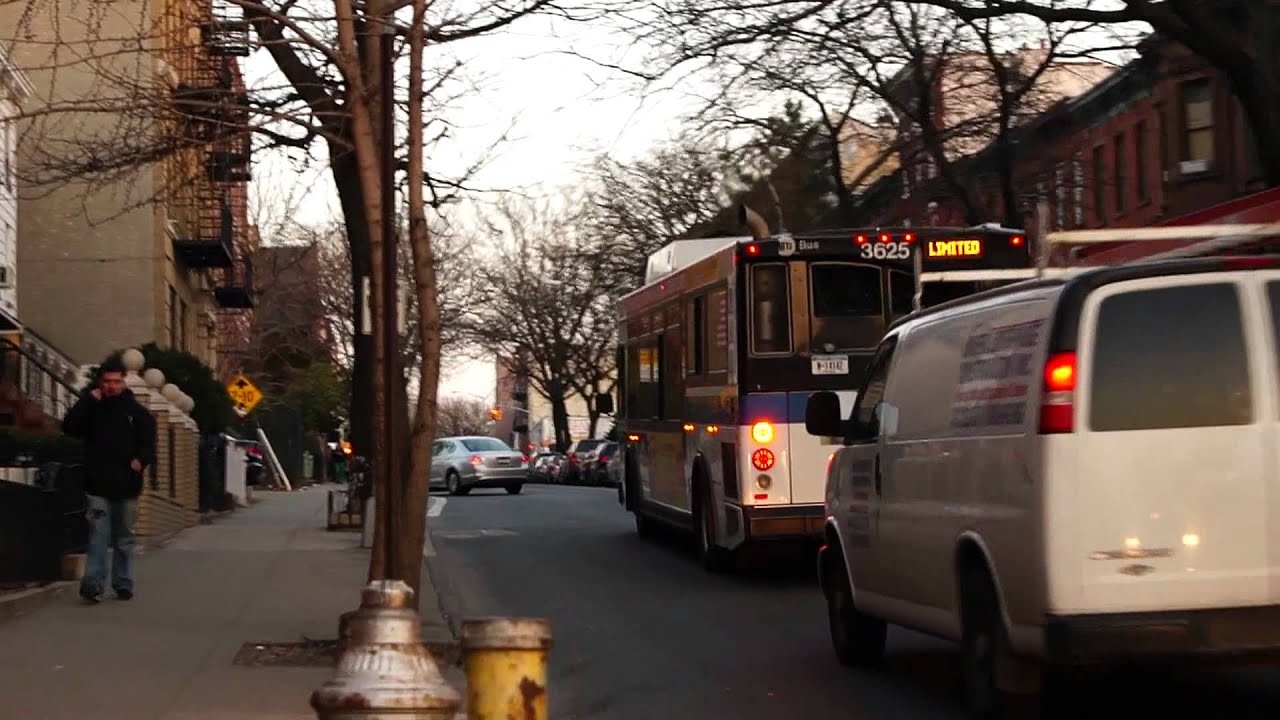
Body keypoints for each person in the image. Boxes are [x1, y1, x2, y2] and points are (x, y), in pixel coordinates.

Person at [61, 358, 156, 603]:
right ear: (100, 383)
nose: (112, 386)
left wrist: (140, 461)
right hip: (97, 484)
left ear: (124, 382)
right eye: (107, 382)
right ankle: (93, 585)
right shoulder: (91, 409)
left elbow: (149, 445)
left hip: (127, 485)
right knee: (98, 535)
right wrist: (88, 401)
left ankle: (123, 582)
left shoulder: (136, 413)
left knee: (125, 537)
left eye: (116, 381)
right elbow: (70, 427)